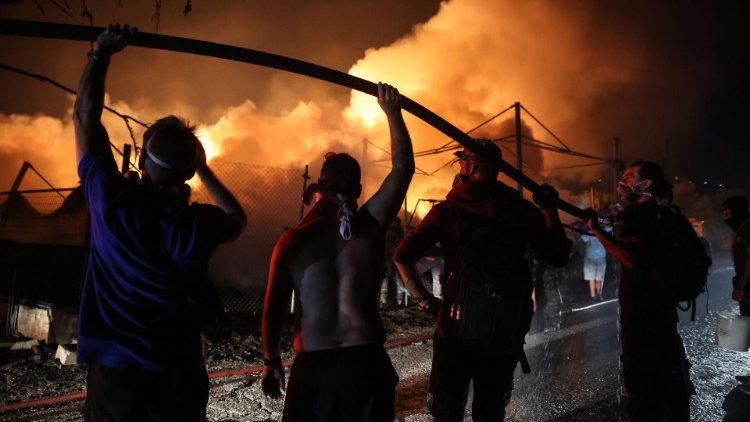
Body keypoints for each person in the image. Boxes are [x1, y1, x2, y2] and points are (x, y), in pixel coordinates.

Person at [74, 25, 247, 421]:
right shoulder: (196, 225)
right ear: (186, 174)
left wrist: (101, 53)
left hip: (117, 375)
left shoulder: (111, 200)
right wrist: (204, 168)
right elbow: (237, 219)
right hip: (177, 372)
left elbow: (85, 116)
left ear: (142, 159)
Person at [261, 83, 414, 421]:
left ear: (319, 186)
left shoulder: (292, 241)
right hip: (365, 366)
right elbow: (403, 170)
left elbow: (272, 311)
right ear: (358, 189)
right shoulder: (370, 225)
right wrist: (392, 111)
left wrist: (271, 361)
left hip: (316, 370)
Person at [394, 139, 569, 421]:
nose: (460, 166)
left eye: (462, 161)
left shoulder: (448, 211)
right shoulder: (521, 209)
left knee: (447, 410)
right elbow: (558, 256)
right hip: (504, 329)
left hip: (454, 327)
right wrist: (550, 210)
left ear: (472, 165)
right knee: (490, 411)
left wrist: (425, 302)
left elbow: (402, 256)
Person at [585, 160, 693, 421]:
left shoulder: (641, 215)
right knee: (667, 382)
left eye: (630, 177)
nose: (622, 182)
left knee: (644, 391)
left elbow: (630, 258)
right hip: (661, 311)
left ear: (646, 185)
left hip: (643, 317)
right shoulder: (658, 213)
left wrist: (597, 232)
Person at [722, 196, 750, 317]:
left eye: (727, 211)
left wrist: (740, 287)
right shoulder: (743, 228)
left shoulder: (747, 228)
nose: (724, 216)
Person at [581, 225, 607, 301]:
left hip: (599, 258)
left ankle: (598, 294)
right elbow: (583, 238)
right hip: (591, 258)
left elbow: (583, 238)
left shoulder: (603, 232)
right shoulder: (590, 233)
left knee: (598, 278)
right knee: (592, 278)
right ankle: (594, 295)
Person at [383, 216, 406, 308]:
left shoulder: (391, 231)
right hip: (394, 258)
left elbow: (389, 245)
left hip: (391, 258)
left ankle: (386, 300)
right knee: (397, 279)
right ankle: (399, 300)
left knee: (390, 278)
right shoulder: (399, 231)